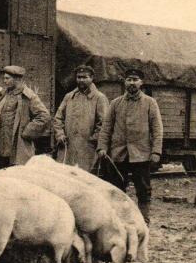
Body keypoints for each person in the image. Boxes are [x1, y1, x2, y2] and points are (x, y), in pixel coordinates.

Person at [96, 68, 163, 224]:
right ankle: (118, 219)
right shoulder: (115, 103)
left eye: (135, 80)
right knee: (116, 188)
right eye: (129, 80)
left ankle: (143, 220)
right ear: (124, 82)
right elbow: (106, 128)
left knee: (143, 189)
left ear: (141, 83)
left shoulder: (150, 103)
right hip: (118, 153)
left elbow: (157, 129)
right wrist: (102, 147)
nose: (132, 83)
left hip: (141, 153)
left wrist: (156, 151)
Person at [0, 65, 51, 177]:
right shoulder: (4, 95)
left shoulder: (29, 96)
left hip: (16, 148)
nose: (4, 81)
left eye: (7, 78)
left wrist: (27, 133)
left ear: (17, 79)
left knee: (15, 179)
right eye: (4, 78)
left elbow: (44, 116)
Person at [53, 64, 109, 170]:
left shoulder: (99, 98)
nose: (81, 80)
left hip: (87, 149)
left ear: (92, 78)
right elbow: (58, 118)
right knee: (65, 176)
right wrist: (60, 134)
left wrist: (92, 140)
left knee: (84, 179)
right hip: (67, 147)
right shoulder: (69, 97)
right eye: (79, 77)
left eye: (85, 77)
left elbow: (104, 123)